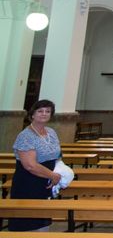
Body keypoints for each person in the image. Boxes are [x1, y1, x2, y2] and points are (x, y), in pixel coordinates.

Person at [9, 99, 61, 232]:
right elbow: (30, 165)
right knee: (27, 221)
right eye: (40, 111)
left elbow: (57, 155)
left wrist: (60, 173)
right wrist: (53, 175)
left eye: (48, 111)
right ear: (32, 114)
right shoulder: (26, 136)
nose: (44, 114)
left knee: (43, 219)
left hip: (45, 181)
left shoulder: (51, 132)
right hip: (28, 182)